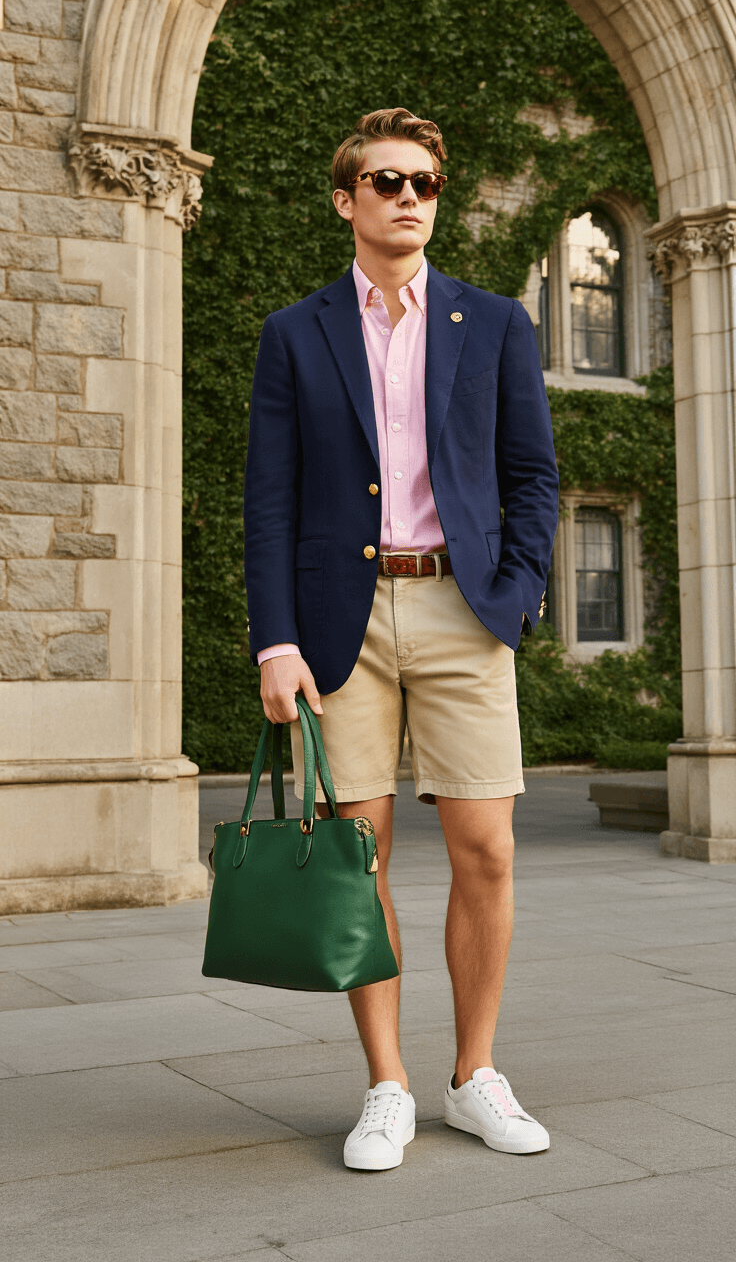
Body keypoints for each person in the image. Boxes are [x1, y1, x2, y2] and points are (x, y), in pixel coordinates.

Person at [243, 107, 558, 1171]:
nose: (409, 197)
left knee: (487, 848)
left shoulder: (494, 323)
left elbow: (531, 477)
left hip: (465, 611)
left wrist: (513, 596)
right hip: (341, 621)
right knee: (355, 854)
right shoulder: (296, 332)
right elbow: (269, 502)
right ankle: (386, 1084)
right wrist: (274, 641)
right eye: (386, 181)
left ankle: (474, 1078)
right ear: (348, 200)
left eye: (423, 181)